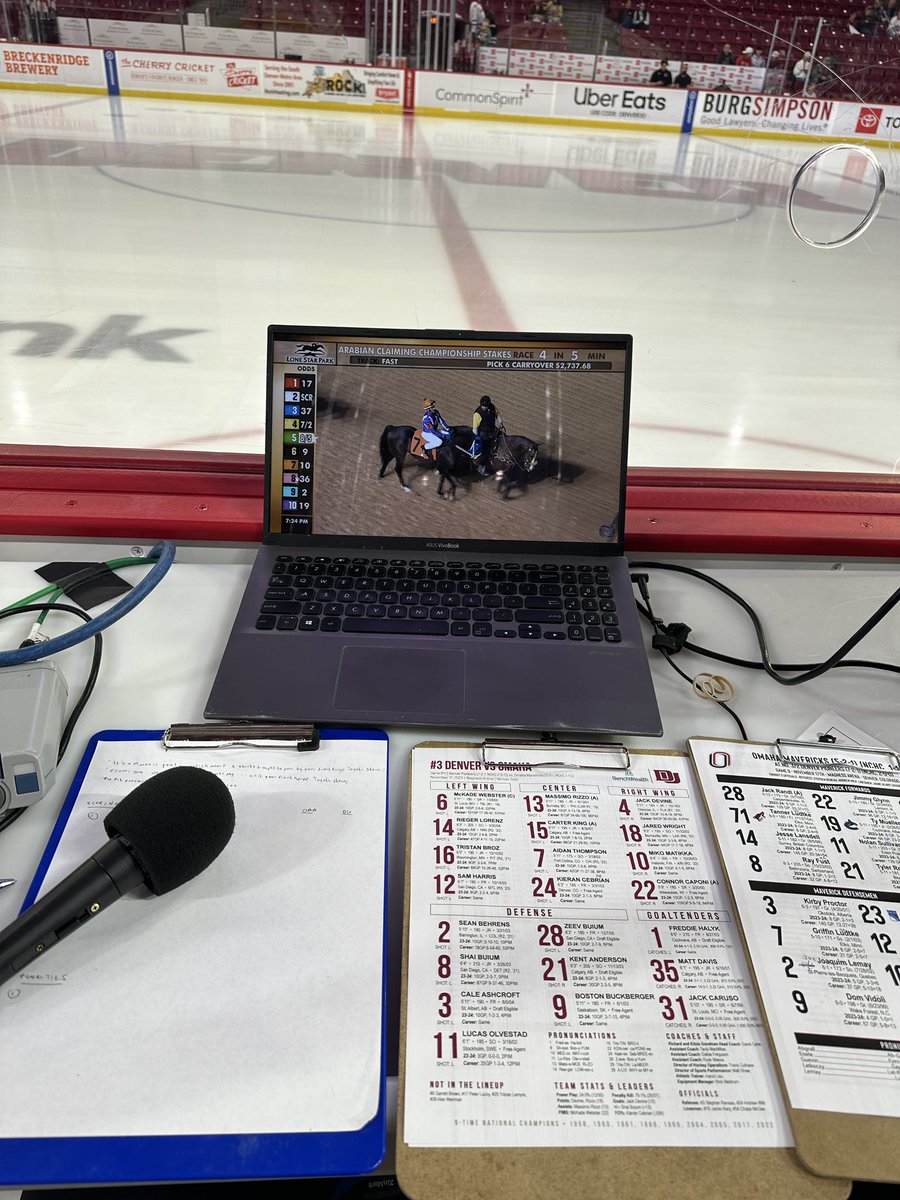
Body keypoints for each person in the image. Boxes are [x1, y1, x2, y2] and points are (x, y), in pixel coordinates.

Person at [471, 394, 499, 474]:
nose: (484, 407)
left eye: (486, 406)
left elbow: (497, 415)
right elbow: (475, 428)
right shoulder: (477, 414)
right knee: (486, 450)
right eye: (483, 406)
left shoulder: (492, 407)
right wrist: (477, 437)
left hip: (493, 430)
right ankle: (482, 465)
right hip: (484, 434)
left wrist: (500, 423)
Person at [420, 397, 451, 464]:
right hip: (428, 433)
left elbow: (441, 421)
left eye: (433, 406)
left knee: (448, 434)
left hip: (434, 430)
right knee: (439, 442)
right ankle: (424, 447)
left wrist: (448, 429)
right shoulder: (427, 419)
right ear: (428, 409)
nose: (433, 408)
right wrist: (441, 435)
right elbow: (432, 431)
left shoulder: (436, 412)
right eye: (432, 407)